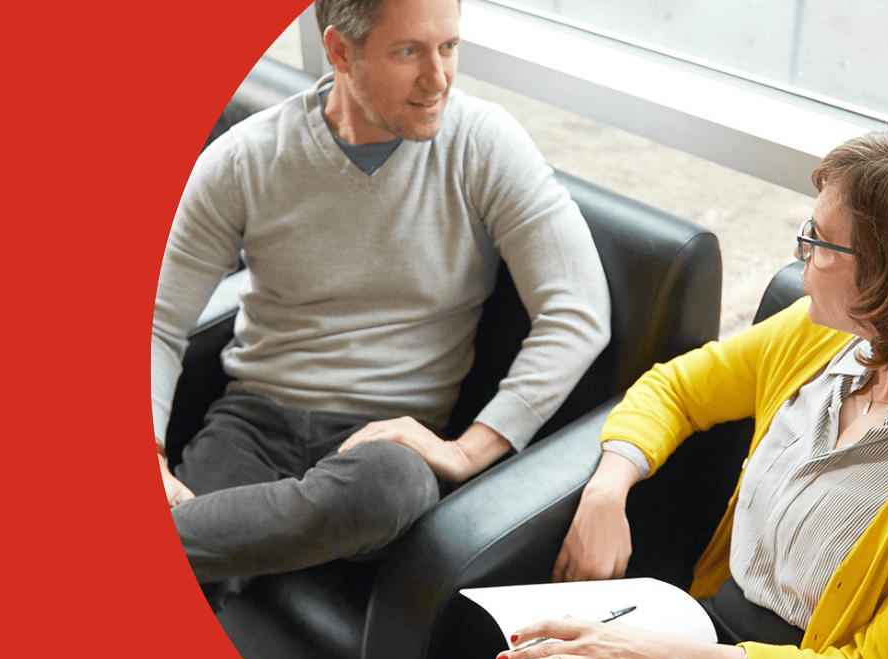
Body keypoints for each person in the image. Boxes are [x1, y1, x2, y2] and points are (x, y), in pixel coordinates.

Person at [411, 127, 888, 659]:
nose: (802, 253)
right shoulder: (828, 336)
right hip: (715, 632)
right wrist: (608, 488)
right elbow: (676, 388)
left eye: (823, 241)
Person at [151, 0, 611, 601]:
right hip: (252, 427)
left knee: (387, 489)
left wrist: (468, 451)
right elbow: (156, 318)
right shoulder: (245, 159)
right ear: (340, 50)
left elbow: (577, 311)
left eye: (448, 46)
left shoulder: (484, 144)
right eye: (408, 51)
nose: (438, 77)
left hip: (388, 445)